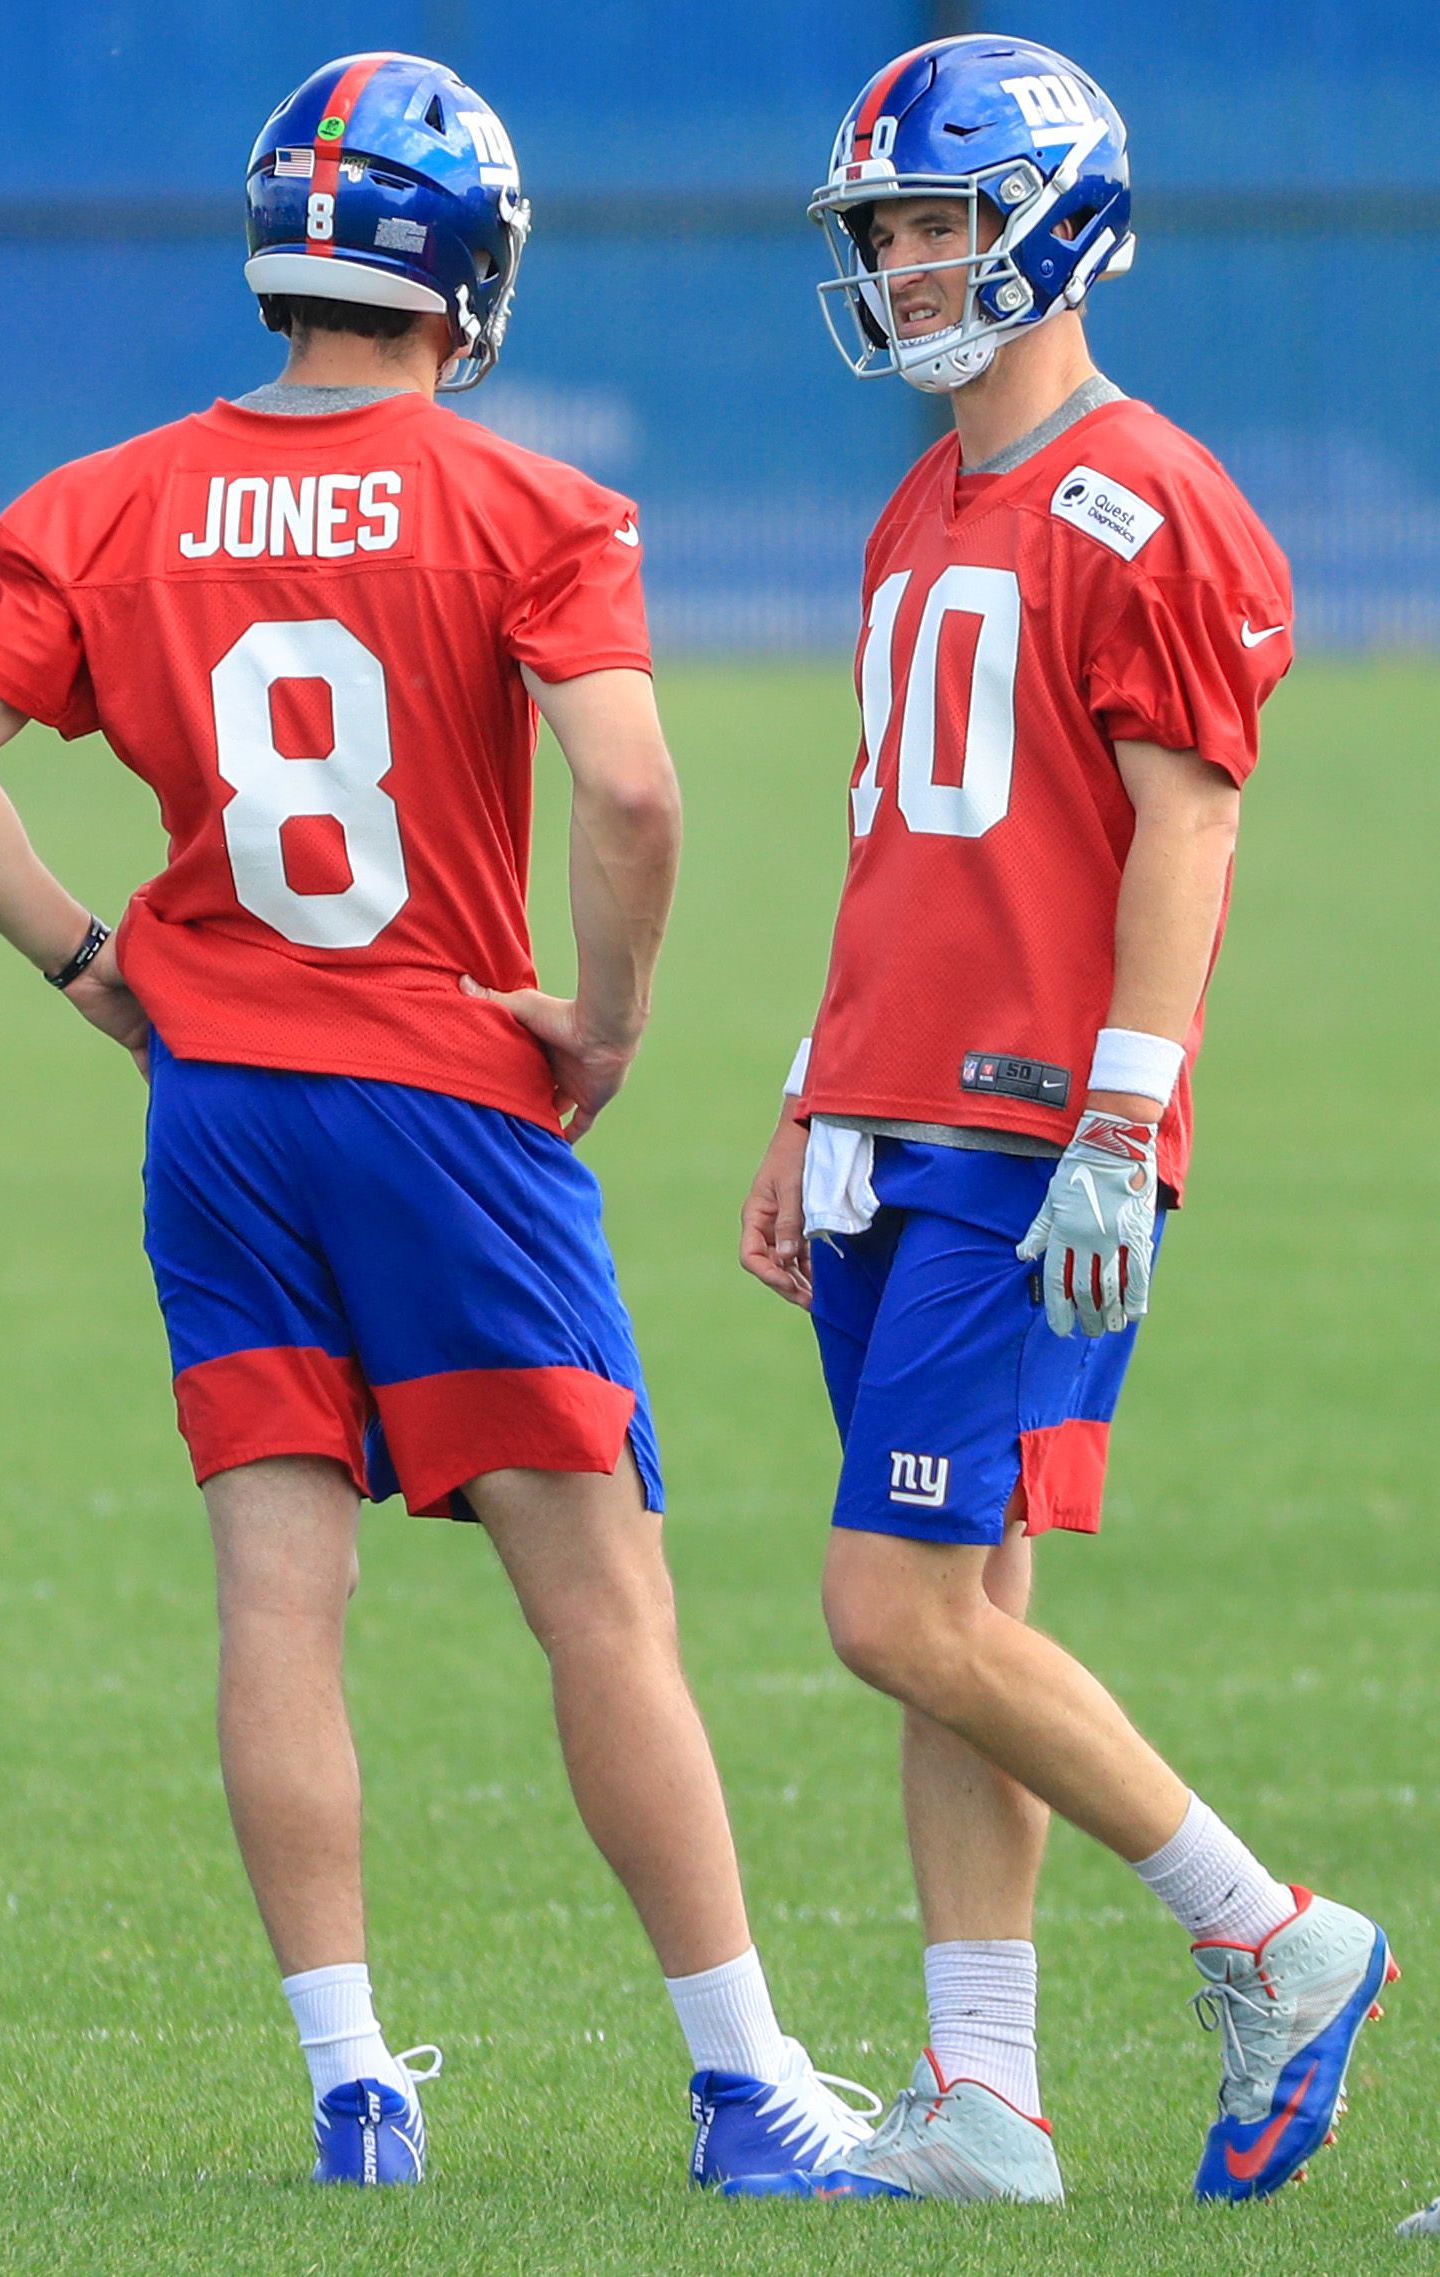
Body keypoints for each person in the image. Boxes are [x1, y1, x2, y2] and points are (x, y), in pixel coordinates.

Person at [0, 51, 878, 2191]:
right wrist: (602, 1022)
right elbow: (629, 785)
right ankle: (747, 2087)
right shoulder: (530, 503)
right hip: (444, 1100)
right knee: (601, 1598)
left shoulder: (106, 499)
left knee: (276, 1602)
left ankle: (354, 2089)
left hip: (220, 1111)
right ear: (466, 272)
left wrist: (89, 964)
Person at [732, 33, 1394, 2206]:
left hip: (1030, 1133)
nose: (908, 264)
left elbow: (1184, 826)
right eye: (890, 231)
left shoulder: (1147, 495)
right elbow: (895, 838)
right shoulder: (924, 497)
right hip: (898, 1111)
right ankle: (988, 2099)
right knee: (967, 1595)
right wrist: (807, 1088)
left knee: (888, 1604)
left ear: (1052, 222)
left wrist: (1124, 1114)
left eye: (936, 222)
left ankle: (1274, 1932)